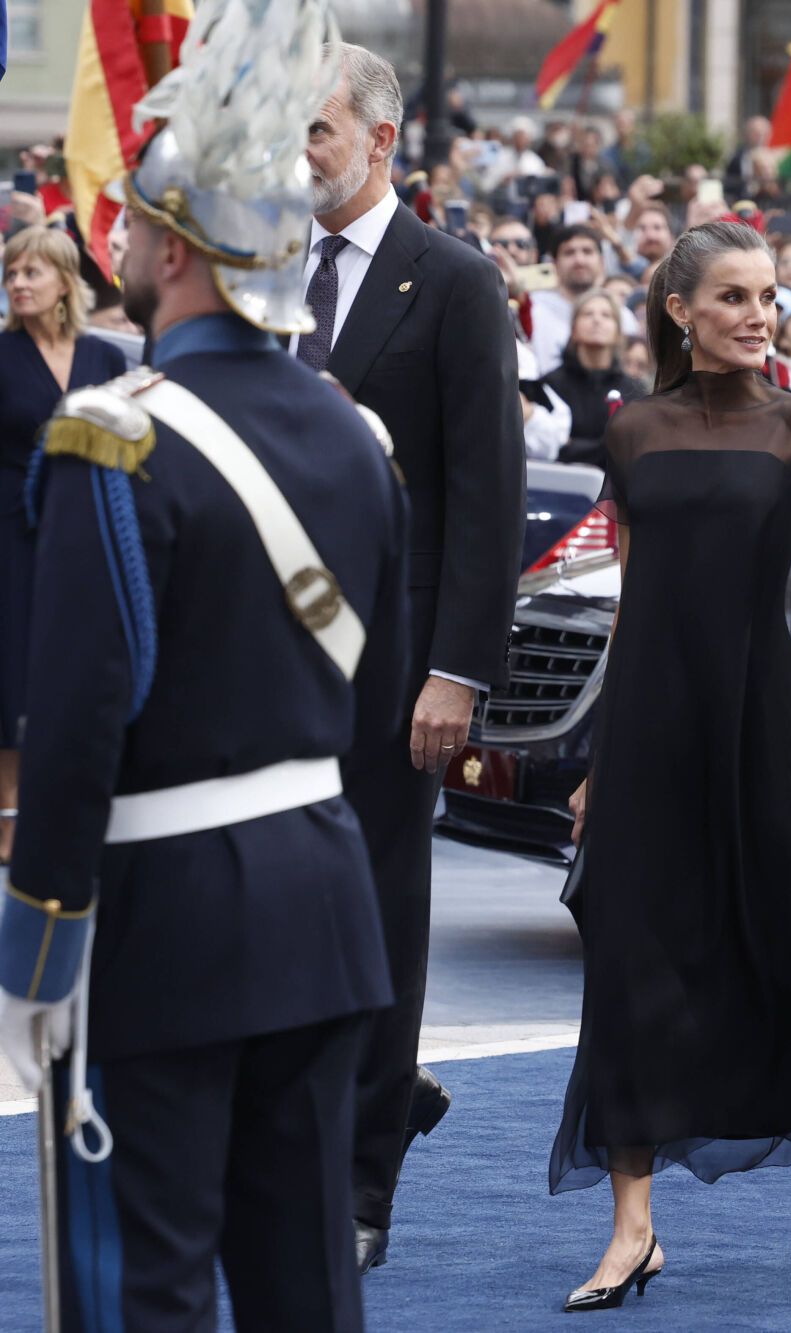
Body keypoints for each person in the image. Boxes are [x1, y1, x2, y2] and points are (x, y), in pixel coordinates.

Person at [0, 5, 408, 1325]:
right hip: (326, 904)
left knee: (144, 1288)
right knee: (308, 1290)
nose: (111, 240)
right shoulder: (356, 440)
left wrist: (37, 952)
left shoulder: (111, 437)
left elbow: (75, 719)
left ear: (178, 253)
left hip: (165, 921)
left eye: (129, 225)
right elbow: (376, 696)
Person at [553, 221, 791, 1306]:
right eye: (732, 296)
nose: (758, 313)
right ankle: (633, 1227)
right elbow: (633, 605)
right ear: (680, 310)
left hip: (763, 730)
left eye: (766, 295)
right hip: (650, 736)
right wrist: (594, 757)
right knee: (631, 964)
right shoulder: (633, 433)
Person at [298, 40, 527, 1273]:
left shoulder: (452, 283)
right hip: (262, 663)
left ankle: (360, 1182)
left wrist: (459, 673)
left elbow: (485, 494)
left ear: (381, 141)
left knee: (380, 920)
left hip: (398, 670)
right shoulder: (265, 273)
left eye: (317, 133)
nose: (300, 157)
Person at [0, 228, 125, 866]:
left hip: (88, 532)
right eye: (12, 273)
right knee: (14, 672)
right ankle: (11, 815)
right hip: (12, 532)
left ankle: (80, 808)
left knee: (82, 663)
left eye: (31, 272)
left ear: (64, 282)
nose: (19, 282)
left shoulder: (106, 358)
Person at [543, 289, 648, 467]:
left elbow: (633, 452)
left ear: (617, 332)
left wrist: (574, 445)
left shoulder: (635, 391)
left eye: (606, 315)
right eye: (587, 314)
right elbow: (549, 447)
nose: (596, 320)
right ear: (573, 329)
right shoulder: (551, 384)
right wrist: (607, 446)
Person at [528, 223, 641, 376]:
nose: (579, 260)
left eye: (587, 252)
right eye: (569, 253)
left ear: (602, 262)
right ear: (554, 264)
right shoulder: (534, 309)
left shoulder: (622, 316)